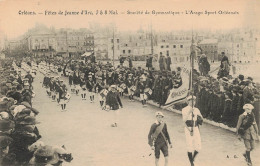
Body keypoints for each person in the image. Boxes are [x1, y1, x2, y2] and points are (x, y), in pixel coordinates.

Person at [182, 96, 203, 166]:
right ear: (188, 101)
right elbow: (184, 121)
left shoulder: (197, 109)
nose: (193, 102)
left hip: (196, 128)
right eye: (191, 101)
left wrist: (200, 117)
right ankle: (191, 163)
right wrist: (189, 112)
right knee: (190, 145)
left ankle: (192, 159)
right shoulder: (184, 109)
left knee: (199, 147)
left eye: (194, 101)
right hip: (189, 128)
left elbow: (201, 118)